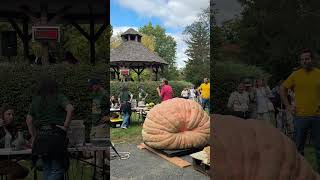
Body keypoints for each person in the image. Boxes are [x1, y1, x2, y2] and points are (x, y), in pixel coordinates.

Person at [280, 49, 320, 172]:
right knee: (298, 147)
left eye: (307, 59)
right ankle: (300, 172)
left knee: (319, 147)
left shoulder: (319, 73)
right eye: (302, 59)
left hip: (317, 117)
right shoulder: (295, 74)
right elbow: (282, 89)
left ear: (312, 60)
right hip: (300, 117)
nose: (304, 61)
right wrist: (288, 106)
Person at [26, 78, 74, 180]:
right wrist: (65, 126)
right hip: (55, 136)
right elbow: (70, 109)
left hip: (41, 137)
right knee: (57, 169)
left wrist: (34, 136)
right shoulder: (59, 97)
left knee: (47, 167)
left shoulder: (36, 100)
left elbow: (29, 120)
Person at [0, 104, 29, 180]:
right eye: (8, 114)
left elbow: (17, 143)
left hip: (10, 160)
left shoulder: (12, 128)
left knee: (25, 170)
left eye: (12, 114)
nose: (11, 117)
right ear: (2, 115)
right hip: (2, 161)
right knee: (18, 171)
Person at [88, 78, 109, 179]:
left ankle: (99, 175)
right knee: (96, 150)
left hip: (102, 126)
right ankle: (103, 170)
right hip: (94, 124)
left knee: (100, 150)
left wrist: (108, 117)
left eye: (92, 85)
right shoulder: (95, 94)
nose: (90, 87)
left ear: (97, 85)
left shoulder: (105, 94)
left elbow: (114, 106)